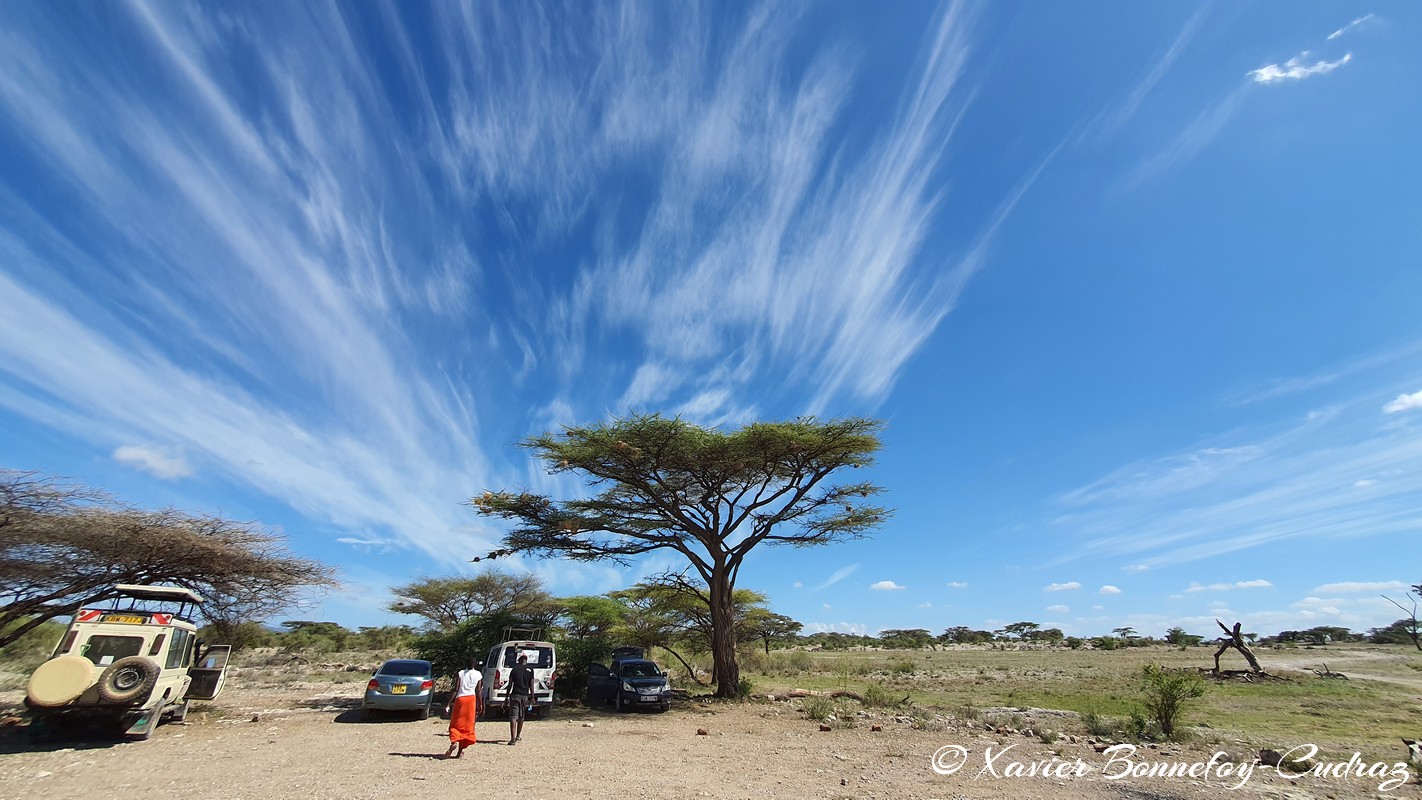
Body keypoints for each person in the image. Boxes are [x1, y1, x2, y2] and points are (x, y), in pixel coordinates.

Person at [444, 657, 482, 758]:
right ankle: (460, 751)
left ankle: (454, 742)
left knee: (456, 723)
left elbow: (456, 689)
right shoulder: (478, 674)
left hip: (460, 700)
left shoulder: (460, 673)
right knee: (467, 726)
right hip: (471, 700)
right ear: (475, 664)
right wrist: (481, 704)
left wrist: (448, 704)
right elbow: (478, 691)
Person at [501, 653, 534, 745]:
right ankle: (518, 735)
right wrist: (532, 696)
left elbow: (510, 684)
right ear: (526, 661)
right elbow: (531, 684)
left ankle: (513, 738)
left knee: (513, 716)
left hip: (515, 695)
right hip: (525, 696)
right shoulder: (530, 670)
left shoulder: (514, 669)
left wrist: (506, 697)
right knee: (521, 716)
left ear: (519, 661)